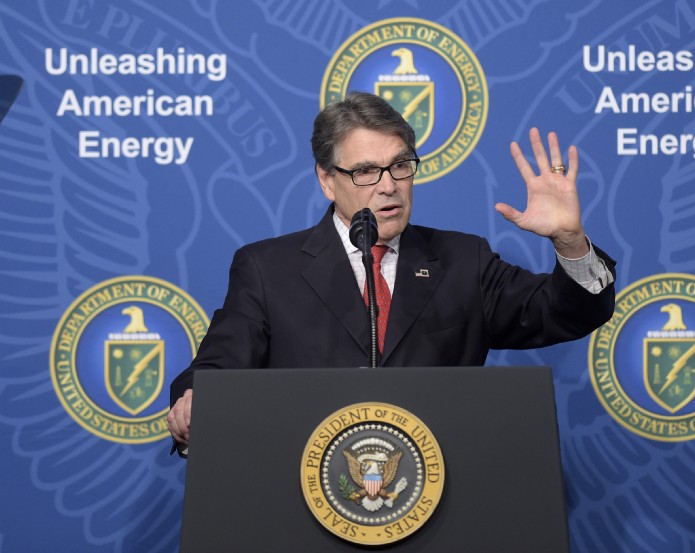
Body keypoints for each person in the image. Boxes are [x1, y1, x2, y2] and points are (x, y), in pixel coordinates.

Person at [167, 91, 615, 452]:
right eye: (365, 171)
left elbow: (565, 313)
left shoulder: (462, 260)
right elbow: (216, 368)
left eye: (400, 165)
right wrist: (194, 400)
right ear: (326, 179)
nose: (388, 185)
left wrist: (569, 241)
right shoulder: (267, 268)